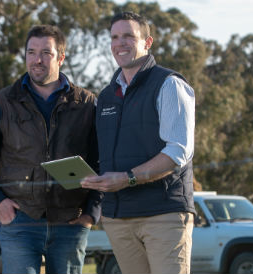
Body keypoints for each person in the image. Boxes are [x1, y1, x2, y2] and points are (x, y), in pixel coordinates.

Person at [0, 25, 100, 274]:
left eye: (46, 53)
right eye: (31, 52)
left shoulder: (87, 104)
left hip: (71, 221)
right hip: (19, 220)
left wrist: (92, 212)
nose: (37, 59)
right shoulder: (1, 103)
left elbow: (103, 160)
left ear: (61, 57)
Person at [80, 11, 196, 274]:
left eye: (129, 36)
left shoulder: (169, 85)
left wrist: (127, 178)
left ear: (148, 42)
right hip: (118, 217)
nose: (120, 43)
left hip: (163, 214)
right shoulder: (107, 96)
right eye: (115, 37)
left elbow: (178, 152)